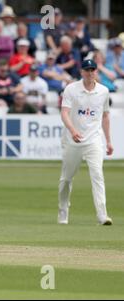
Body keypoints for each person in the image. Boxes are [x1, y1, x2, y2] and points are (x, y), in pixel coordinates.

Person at [58, 59, 113, 226]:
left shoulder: (104, 91)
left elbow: (105, 116)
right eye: (87, 70)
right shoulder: (71, 89)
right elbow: (65, 113)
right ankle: (63, 212)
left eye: (92, 70)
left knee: (97, 175)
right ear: (81, 72)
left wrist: (109, 141)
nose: (90, 73)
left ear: (96, 72)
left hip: (94, 141)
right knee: (66, 179)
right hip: (72, 141)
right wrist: (73, 131)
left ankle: (102, 215)